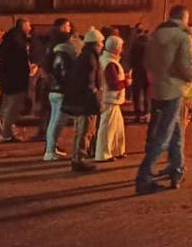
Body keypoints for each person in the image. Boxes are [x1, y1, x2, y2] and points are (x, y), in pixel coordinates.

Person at [135, 5, 192, 194]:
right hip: (173, 89)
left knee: (176, 131)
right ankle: (143, 177)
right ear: (184, 18)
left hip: (157, 88)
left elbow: (147, 62)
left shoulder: (155, 35)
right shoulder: (183, 37)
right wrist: (190, 75)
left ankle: (176, 168)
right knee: (164, 134)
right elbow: (184, 65)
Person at [63, 27, 104, 173]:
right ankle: (79, 159)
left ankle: (77, 157)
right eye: (101, 42)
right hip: (86, 101)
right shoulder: (90, 58)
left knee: (81, 130)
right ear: (96, 43)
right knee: (85, 130)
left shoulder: (85, 56)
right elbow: (90, 83)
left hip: (81, 100)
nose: (102, 45)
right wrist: (96, 100)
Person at [0, 18, 33, 142]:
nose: (30, 28)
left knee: (7, 106)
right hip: (15, 79)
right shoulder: (16, 41)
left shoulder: (11, 38)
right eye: (29, 25)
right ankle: (6, 133)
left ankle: (2, 131)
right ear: (22, 25)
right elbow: (18, 61)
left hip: (9, 78)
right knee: (12, 107)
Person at [44, 26, 77, 161]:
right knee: (58, 122)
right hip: (61, 91)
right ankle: (50, 151)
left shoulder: (56, 53)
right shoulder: (64, 55)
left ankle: (51, 148)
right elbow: (65, 74)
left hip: (55, 90)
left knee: (54, 121)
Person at [96, 34, 130, 162]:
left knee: (117, 128)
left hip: (111, 100)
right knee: (108, 129)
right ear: (116, 48)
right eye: (120, 47)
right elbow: (113, 84)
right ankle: (103, 154)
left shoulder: (105, 60)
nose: (122, 49)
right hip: (110, 99)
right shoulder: (111, 63)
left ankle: (116, 150)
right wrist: (126, 82)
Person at [125, 23, 150, 123]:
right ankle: (147, 113)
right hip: (148, 72)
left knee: (137, 93)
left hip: (137, 71)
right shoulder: (150, 43)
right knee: (147, 93)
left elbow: (130, 58)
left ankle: (138, 114)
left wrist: (130, 68)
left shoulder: (135, 43)